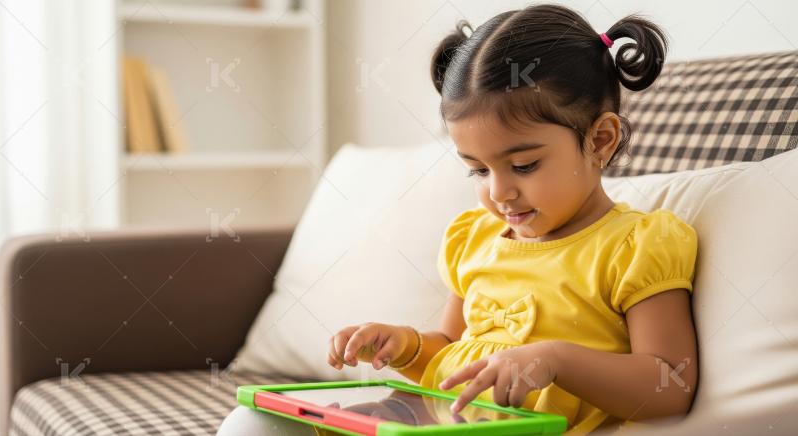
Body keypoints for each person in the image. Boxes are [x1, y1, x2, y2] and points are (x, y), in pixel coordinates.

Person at [218, 3, 698, 435]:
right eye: (477, 169)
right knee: (254, 423)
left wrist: (557, 359)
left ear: (599, 140)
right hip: (431, 420)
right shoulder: (477, 239)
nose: (499, 191)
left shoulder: (636, 245)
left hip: (516, 431)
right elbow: (448, 350)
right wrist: (404, 347)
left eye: (524, 165)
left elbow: (670, 384)